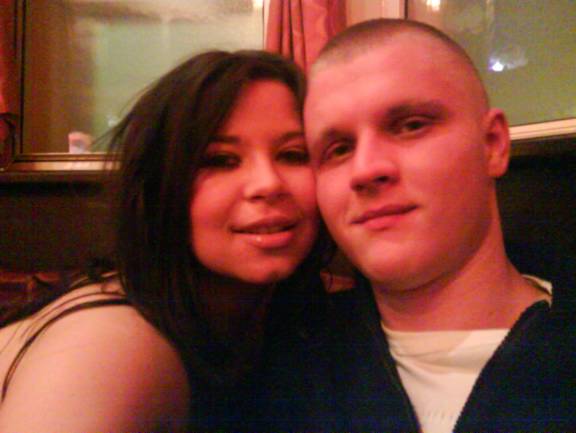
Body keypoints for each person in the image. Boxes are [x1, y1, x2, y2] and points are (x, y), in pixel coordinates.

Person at [259, 18, 576, 432]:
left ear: (492, 145)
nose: (366, 169)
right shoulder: (277, 372)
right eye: (338, 150)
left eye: (411, 126)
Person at [0, 50, 329, 432]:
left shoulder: (288, 318)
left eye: (293, 154)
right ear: (158, 186)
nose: (268, 184)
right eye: (221, 160)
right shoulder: (113, 347)